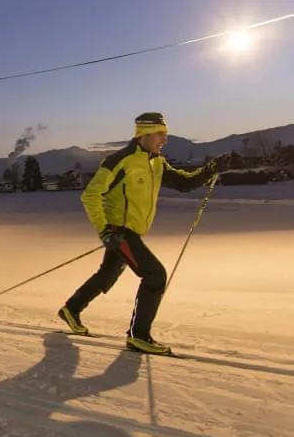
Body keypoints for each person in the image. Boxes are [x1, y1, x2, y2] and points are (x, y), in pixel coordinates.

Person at [58, 112, 232, 355]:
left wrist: (210, 169)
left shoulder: (156, 162)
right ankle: (138, 336)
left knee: (107, 274)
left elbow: (184, 183)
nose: (165, 139)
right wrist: (105, 231)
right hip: (120, 231)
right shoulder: (120, 160)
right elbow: (90, 195)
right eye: (161, 134)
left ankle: (71, 309)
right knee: (155, 276)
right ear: (145, 134)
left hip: (131, 231)